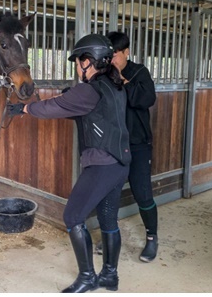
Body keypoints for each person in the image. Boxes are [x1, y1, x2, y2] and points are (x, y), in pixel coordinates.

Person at [7, 34, 130, 292]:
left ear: (90, 61)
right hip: (120, 163)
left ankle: (87, 278)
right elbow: (83, 114)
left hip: (102, 164)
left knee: (73, 215)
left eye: (78, 62)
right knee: (108, 220)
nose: (76, 67)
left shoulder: (90, 89)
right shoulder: (114, 85)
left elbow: (57, 106)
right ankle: (110, 276)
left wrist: (25, 109)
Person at [97, 31, 159, 264]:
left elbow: (145, 99)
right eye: (108, 55)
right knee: (107, 192)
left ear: (126, 52)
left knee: (142, 192)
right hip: (113, 144)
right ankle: (109, 236)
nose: (111, 60)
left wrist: (122, 80)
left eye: (115, 55)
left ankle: (152, 238)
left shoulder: (139, 72)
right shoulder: (103, 74)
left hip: (139, 144)